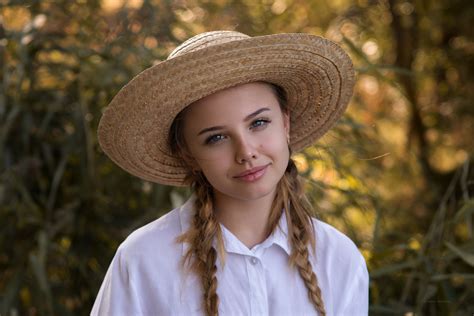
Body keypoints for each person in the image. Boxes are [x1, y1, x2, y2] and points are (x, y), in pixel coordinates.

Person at [92, 31, 369, 316]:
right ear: (188, 153)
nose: (246, 151)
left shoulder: (339, 259)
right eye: (216, 138)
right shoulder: (143, 260)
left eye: (259, 122)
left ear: (285, 124)